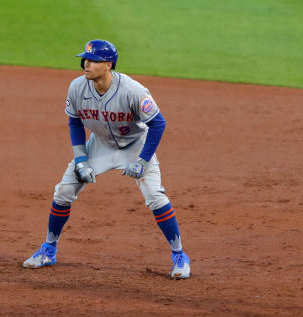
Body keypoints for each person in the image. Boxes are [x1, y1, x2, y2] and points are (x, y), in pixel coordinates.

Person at [22, 39, 190, 279]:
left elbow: (158, 123)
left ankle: (179, 255)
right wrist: (81, 159)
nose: (86, 64)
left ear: (108, 65)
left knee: (155, 196)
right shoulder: (77, 87)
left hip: (135, 146)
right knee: (63, 192)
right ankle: (48, 249)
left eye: (92, 61)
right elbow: (74, 121)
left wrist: (142, 160)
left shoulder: (133, 91)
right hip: (99, 145)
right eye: (85, 60)